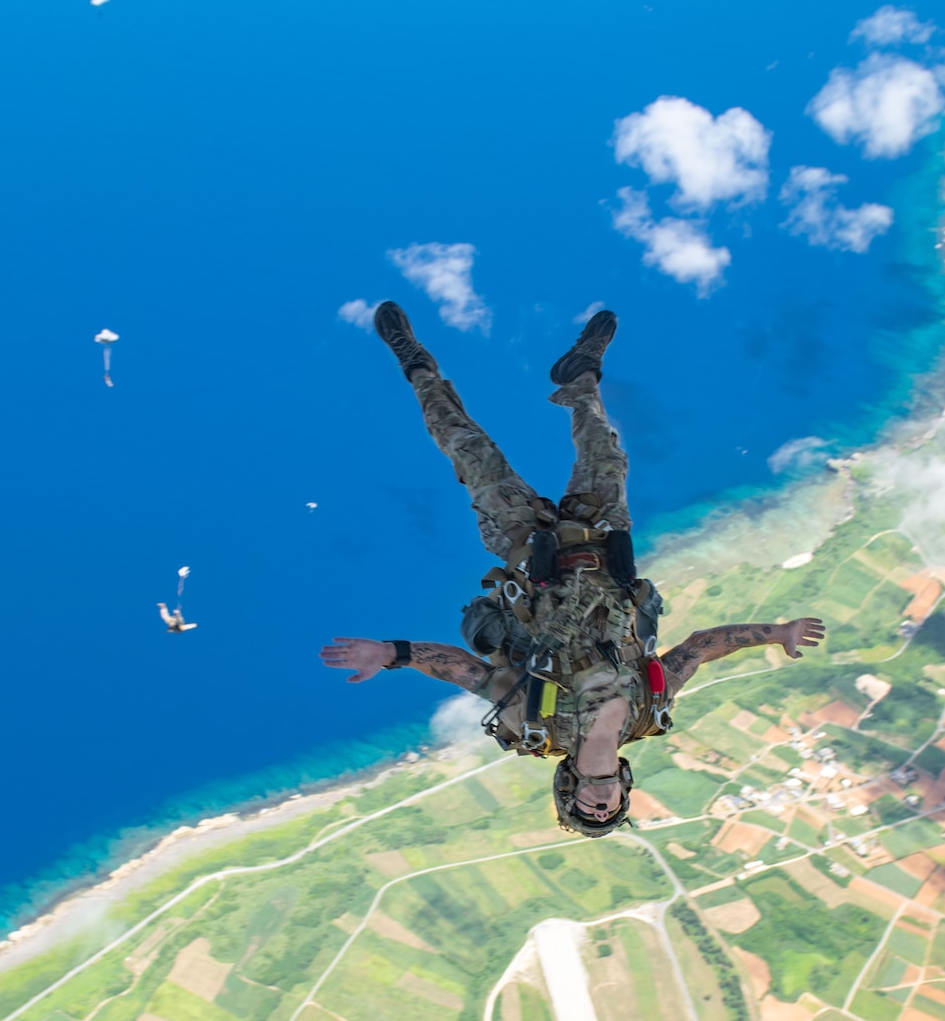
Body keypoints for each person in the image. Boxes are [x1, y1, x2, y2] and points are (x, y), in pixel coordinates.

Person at [321, 302, 825, 837]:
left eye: (591, 811)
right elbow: (701, 647)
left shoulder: (536, 724)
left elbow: (462, 669)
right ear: (626, 791)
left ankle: (415, 362)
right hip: (603, 547)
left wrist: (392, 654)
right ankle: (580, 376)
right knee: (605, 452)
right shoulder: (646, 713)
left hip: (526, 548)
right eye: (611, 812)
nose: (603, 806)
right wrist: (776, 633)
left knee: (470, 449)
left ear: (570, 792)